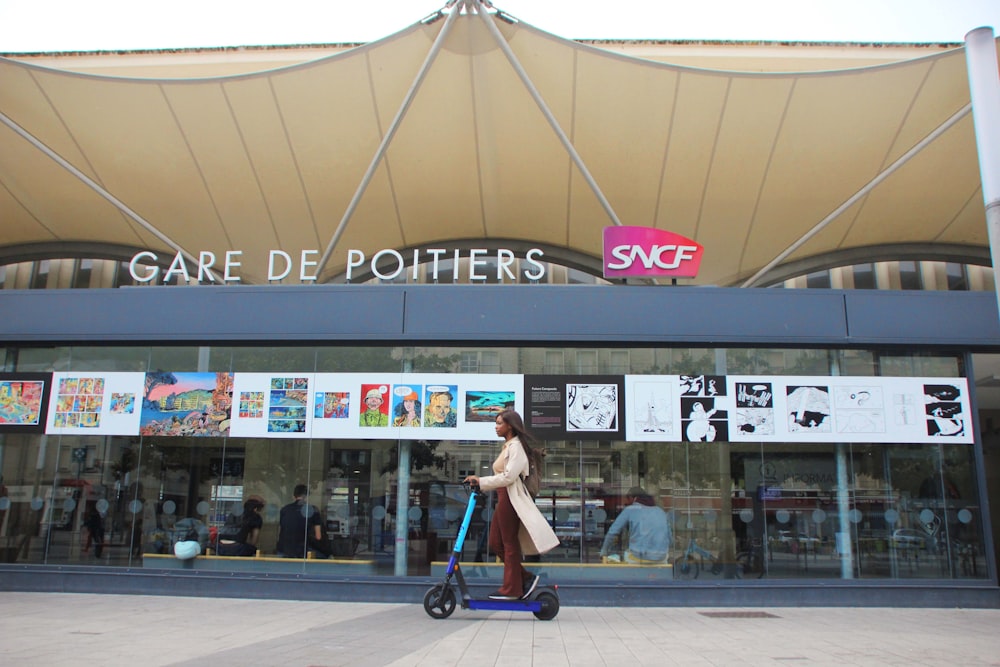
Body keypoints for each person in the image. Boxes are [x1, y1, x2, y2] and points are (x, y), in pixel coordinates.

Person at [464, 409, 559, 600]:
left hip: (510, 497)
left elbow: (509, 477)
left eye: (499, 423)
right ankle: (525, 578)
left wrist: (481, 482)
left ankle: (512, 589)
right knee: (495, 542)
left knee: (509, 543)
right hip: (503, 496)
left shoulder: (517, 447)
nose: (496, 426)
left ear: (510, 425)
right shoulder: (508, 446)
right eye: (496, 423)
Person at [599, 487, 672, 564]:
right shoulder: (660, 511)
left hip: (638, 557)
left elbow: (613, 532)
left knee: (625, 555)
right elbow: (670, 538)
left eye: (628, 499)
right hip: (661, 558)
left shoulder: (630, 509)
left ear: (633, 498)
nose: (627, 502)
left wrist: (604, 551)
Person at [276, 484, 324, 558]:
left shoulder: (285, 509)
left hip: (283, 549)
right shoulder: (313, 510)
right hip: (302, 551)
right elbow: (318, 536)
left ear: (294, 496)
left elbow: (280, 532)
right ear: (306, 496)